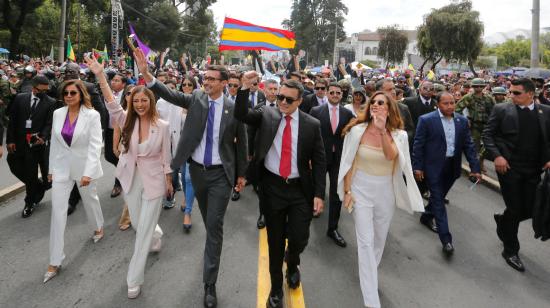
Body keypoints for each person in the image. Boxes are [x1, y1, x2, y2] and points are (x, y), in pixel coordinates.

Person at [134, 48, 248, 308]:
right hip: (197, 172)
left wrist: (241, 174)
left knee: (215, 225)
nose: (205, 82)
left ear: (222, 82)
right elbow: (170, 94)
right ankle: (212, 249)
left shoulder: (233, 108)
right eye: (204, 78)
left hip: (221, 175)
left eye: (210, 79)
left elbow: (242, 142)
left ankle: (209, 284)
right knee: (210, 224)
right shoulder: (196, 98)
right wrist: (147, 76)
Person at [235, 74, 326, 308]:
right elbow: (241, 114)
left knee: (299, 238)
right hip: (272, 188)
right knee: (275, 242)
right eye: (280, 97)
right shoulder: (267, 114)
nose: (282, 102)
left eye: (288, 99)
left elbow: (319, 161)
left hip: (299, 191)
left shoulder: (311, 125)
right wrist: (244, 88)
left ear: (299, 102)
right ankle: (276, 289)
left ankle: (292, 261)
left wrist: (318, 194)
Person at [86, 55, 172, 299]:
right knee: (138, 223)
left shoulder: (163, 126)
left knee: (141, 232)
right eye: (137, 100)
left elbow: (167, 157)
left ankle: (134, 278)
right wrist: (101, 75)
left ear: (151, 102)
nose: (141, 104)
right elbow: (112, 103)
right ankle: (157, 234)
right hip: (130, 179)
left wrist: (168, 181)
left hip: (154, 181)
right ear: (132, 103)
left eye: (145, 100)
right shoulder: (125, 121)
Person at [338, 91, 424, 308]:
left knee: (378, 240)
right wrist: (347, 191)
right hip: (360, 189)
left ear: (390, 108)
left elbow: (390, 156)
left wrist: (382, 130)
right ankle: (371, 300)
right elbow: (348, 163)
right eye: (374, 102)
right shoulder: (356, 130)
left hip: (385, 190)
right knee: (365, 241)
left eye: (382, 103)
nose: (377, 105)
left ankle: (369, 272)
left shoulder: (399, 135)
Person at [483, 78, 550, 272]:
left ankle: (503, 221)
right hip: (509, 168)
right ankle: (510, 250)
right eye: (510, 92)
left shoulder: (546, 113)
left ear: (530, 93)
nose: (511, 96)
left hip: (534, 170)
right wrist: (497, 156)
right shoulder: (502, 110)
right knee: (515, 207)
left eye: (516, 93)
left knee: (529, 209)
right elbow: (488, 135)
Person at [43, 79, 105, 283]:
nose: (68, 96)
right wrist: (51, 169)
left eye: (73, 93)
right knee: (57, 212)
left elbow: (96, 146)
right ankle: (55, 260)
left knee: (90, 200)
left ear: (81, 95)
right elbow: (55, 144)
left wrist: (88, 172)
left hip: (84, 168)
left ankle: (98, 226)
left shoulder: (93, 115)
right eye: (66, 93)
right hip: (61, 168)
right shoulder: (57, 113)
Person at [413, 92, 481, 255]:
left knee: (439, 196)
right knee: (438, 200)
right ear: (438, 104)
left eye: (452, 103)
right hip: (433, 167)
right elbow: (418, 144)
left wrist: (475, 168)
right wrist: (418, 166)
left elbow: (469, 146)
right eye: (446, 103)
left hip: (452, 168)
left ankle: (426, 216)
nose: (450, 106)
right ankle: (446, 240)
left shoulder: (462, 121)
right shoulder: (427, 120)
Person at [310, 82, 355, 247]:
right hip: (320, 157)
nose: (335, 95)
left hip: (339, 159)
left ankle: (333, 228)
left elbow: (355, 132)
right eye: (332, 92)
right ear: (327, 94)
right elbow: (309, 134)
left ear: (342, 95)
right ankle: (314, 209)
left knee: (336, 193)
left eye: (338, 93)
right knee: (317, 188)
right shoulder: (316, 111)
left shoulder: (348, 113)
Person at [6, 75, 56, 218]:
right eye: (42, 90)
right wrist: (10, 140)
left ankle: (30, 202)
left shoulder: (50, 102)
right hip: (19, 142)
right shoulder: (20, 98)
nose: (44, 93)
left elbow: (49, 123)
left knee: (33, 172)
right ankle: (36, 186)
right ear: (34, 88)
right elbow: (12, 121)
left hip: (37, 145)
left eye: (46, 90)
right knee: (13, 164)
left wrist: (43, 137)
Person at [456, 78, 495, 173]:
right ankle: (475, 167)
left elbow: (494, 111)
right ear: (472, 87)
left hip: (487, 125)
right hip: (474, 126)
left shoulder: (488, 98)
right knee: (474, 147)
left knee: (487, 146)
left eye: (480, 86)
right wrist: (465, 120)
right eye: (476, 86)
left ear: (483, 87)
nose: (478, 88)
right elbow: (457, 109)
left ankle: (480, 161)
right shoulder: (468, 97)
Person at [115, 84, 135, 231]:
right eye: (128, 93)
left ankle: (127, 217)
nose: (131, 96)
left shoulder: (146, 113)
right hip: (126, 154)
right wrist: (115, 147)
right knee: (128, 185)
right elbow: (117, 131)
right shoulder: (121, 114)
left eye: (135, 93)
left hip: (143, 156)